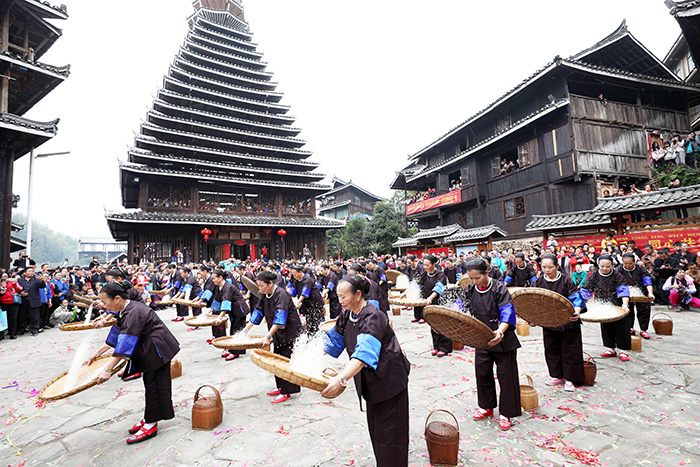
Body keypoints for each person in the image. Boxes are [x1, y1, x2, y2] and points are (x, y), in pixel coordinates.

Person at [322, 274, 410, 466]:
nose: (340, 301)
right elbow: (331, 343)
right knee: (378, 433)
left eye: (344, 297)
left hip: (389, 381)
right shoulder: (347, 314)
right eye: (338, 297)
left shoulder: (373, 316)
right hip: (372, 384)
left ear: (359, 294)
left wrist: (341, 379)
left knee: (391, 437)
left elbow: (363, 355)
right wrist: (308, 359)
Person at [89, 281, 180, 444]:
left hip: (157, 349)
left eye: (104, 302)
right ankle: (150, 418)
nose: (103, 306)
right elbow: (116, 334)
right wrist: (96, 354)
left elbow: (125, 341)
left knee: (155, 387)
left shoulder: (134, 312)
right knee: (151, 386)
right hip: (150, 350)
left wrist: (108, 369)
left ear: (117, 298)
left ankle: (151, 423)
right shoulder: (125, 309)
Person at [462, 259, 520, 431]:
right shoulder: (470, 289)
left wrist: (500, 332)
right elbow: (460, 307)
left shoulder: (499, 288)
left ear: (487, 273)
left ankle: (506, 413)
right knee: (482, 372)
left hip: (502, 337)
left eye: (477, 278)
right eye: (471, 278)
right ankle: (486, 406)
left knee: (506, 376)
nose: (474, 282)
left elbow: (507, 312)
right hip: (481, 338)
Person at [243, 271, 303, 404]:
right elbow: (258, 312)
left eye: (261, 286)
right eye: (258, 286)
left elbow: (280, 318)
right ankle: (281, 387)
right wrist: (245, 330)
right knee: (277, 358)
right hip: (276, 333)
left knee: (286, 360)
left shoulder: (281, 294)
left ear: (270, 283)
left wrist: (268, 336)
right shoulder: (266, 295)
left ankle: (287, 391)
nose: (259, 289)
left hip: (289, 332)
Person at [532, 254, 585, 391]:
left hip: (568, 321)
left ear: (557, 266)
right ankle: (557, 375)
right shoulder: (538, 282)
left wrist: (576, 312)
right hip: (549, 322)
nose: (547, 270)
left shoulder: (566, 280)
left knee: (570, 350)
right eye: (544, 267)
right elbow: (531, 298)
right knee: (551, 348)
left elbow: (576, 298)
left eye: (550, 267)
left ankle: (570, 378)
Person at [580, 256, 631, 361]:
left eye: (608, 266)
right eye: (602, 266)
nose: (604, 268)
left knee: (622, 327)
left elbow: (623, 290)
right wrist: (580, 305)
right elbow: (586, 290)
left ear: (612, 265)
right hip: (602, 305)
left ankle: (623, 350)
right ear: (598, 265)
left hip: (617, 305)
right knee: (606, 327)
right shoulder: (594, 275)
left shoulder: (617, 275)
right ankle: (610, 348)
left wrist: (625, 304)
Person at [210, 269, 250, 361]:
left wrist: (220, 317)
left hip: (239, 310)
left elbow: (226, 303)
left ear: (220, 278)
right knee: (234, 330)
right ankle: (234, 349)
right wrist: (209, 312)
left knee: (236, 331)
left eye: (214, 278)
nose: (213, 280)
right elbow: (217, 301)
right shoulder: (219, 287)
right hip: (234, 311)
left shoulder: (228, 287)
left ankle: (235, 352)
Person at [617, 253, 654, 339]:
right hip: (626, 293)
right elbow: (618, 283)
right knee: (628, 311)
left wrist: (650, 293)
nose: (628, 265)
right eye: (625, 263)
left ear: (634, 262)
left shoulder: (640, 269)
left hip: (641, 291)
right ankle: (630, 328)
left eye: (630, 263)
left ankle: (643, 329)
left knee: (644, 310)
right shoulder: (619, 270)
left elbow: (647, 280)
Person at [421, 255, 451, 357]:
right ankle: (436, 346)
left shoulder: (440, 274)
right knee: (433, 324)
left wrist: (431, 297)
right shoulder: (424, 273)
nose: (425, 267)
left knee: (443, 324)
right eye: (424, 265)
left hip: (440, 301)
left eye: (427, 265)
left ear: (434, 264)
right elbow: (417, 283)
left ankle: (444, 347)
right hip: (430, 302)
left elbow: (439, 287)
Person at [288, 264, 325, 335]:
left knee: (317, 322)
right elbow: (292, 292)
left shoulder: (308, 279)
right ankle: (311, 336)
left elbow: (304, 293)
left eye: (295, 275)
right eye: (293, 275)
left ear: (300, 272)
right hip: (307, 305)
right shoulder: (297, 281)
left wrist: (297, 302)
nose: (294, 277)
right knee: (309, 322)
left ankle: (320, 336)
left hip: (315, 303)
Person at [17, 267, 46, 336]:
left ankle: (35, 329)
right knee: (21, 316)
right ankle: (20, 330)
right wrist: (21, 292)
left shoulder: (36, 280)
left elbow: (42, 286)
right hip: (23, 300)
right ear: (25, 273)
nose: (31, 272)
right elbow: (17, 288)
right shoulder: (20, 280)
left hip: (34, 300)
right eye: (29, 271)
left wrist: (42, 281)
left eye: (32, 271)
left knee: (35, 317)